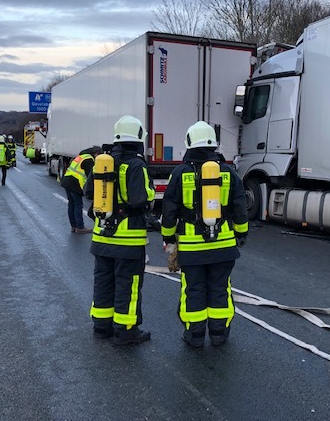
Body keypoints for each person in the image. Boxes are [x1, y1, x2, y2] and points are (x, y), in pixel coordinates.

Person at [161, 121, 248, 347]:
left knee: (194, 290)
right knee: (220, 288)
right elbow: (240, 207)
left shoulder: (179, 173)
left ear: (189, 142)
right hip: (223, 245)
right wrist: (241, 233)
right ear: (214, 144)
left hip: (192, 249)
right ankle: (219, 335)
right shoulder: (228, 172)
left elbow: (169, 209)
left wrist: (169, 238)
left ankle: (195, 336)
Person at [85, 115, 155, 345]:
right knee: (128, 284)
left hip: (102, 236)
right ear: (137, 136)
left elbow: (88, 192)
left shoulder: (103, 161)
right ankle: (126, 331)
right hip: (128, 239)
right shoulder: (136, 164)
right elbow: (139, 199)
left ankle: (101, 326)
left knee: (103, 281)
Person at [61, 146, 101, 234]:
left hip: (67, 181)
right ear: (96, 154)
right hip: (75, 183)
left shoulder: (82, 156)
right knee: (78, 205)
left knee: (71, 205)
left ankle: (73, 226)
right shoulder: (89, 159)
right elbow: (91, 176)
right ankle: (80, 227)